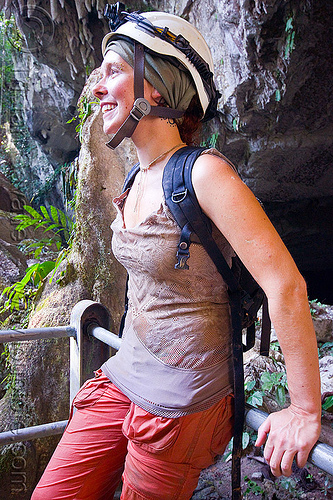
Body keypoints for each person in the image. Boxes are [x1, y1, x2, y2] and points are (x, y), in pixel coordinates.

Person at [32, 6, 321, 500]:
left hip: (184, 396)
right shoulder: (135, 177)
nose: (98, 88)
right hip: (125, 373)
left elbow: (286, 284)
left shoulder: (204, 174)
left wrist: (304, 410)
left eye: (115, 70)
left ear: (158, 88)